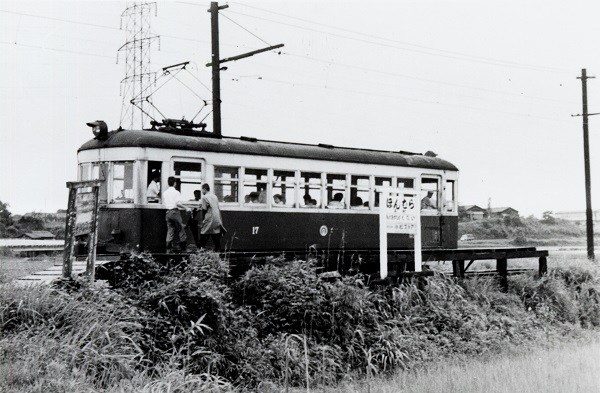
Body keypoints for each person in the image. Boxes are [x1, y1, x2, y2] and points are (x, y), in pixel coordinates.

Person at [163, 176, 190, 252]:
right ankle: (183, 249)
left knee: (170, 230)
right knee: (181, 229)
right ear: (175, 183)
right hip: (175, 212)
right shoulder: (176, 192)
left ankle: (168, 249)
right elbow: (177, 203)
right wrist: (186, 208)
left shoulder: (165, 193)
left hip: (168, 212)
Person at [199, 183, 223, 252]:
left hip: (209, 218)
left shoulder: (204, 197)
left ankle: (201, 249)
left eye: (202, 190)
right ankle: (218, 250)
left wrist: (200, 208)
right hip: (217, 218)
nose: (202, 191)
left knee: (203, 232)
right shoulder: (215, 196)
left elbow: (204, 209)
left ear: (204, 189)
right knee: (215, 233)